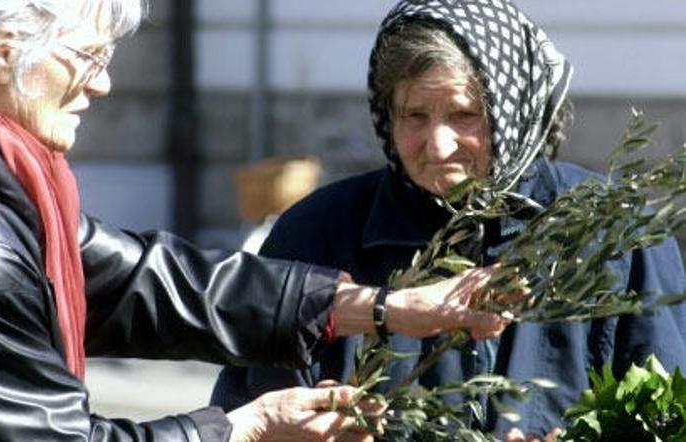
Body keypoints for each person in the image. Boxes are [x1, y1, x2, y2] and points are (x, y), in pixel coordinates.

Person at [0, 0, 520, 441]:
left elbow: (145, 281)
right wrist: (241, 427)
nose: (106, 84)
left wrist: (380, 307)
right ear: (5, 53)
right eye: (88, 57)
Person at [211, 0, 686, 440]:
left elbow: (665, 416)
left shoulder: (616, 235)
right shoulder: (315, 233)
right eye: (414, 115)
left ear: (513, 111)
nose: (437, 146)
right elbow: (253, 416)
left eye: (464, 114)